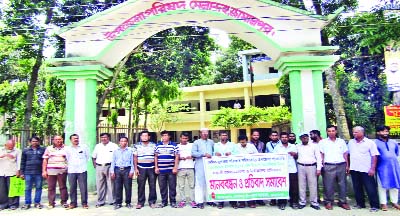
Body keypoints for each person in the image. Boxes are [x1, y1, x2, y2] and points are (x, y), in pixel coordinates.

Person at [348, 126, 380, 212]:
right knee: (357, 187)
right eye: (353, 132)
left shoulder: (370, 143)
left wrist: (372, 168)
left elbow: (374, 156)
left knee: (370, 188)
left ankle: (375, 206)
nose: (354, 134)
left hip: (366, 169)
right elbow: (348, 154)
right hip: (354, 168)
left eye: (356, 132)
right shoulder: (351, 142)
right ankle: (360, 204)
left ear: (362, 133)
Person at [319, 125, 350, 210]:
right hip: (328, 165)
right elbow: (321, 154)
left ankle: (343, 202)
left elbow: (345, 154)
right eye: (329, 131)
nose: (331, 132)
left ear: (336, 131)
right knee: (328, 185)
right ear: (327, 132)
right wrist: (322, 166)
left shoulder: (341, 141)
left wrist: (347, 165)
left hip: (341, 165)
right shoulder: (323, 142)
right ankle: (328, 202)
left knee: (342, 184)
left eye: (333, 131)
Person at [374, 125, 400, 211]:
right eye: (383, 131)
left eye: (386, 131)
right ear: (378, 133)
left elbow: (396, 153)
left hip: (394, 167)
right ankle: (383, 203)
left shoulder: (393, 142)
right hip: (382, 167)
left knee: (395, 184)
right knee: (382, 185)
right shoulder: (375, 143)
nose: (385, 133)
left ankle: (394, 202)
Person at [272, 132, 298, 210]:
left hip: (292, 169)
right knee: (282, 187)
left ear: (288, 138)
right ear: (280, 138)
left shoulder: (293, 146)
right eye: (282, 137)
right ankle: (282, 203)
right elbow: (274, 158)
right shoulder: (277, 147)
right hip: (282, 170)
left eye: (286, 137)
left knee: (294, 187)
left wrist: (294, 154)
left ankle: (293, 202)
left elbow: (297, 156)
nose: (284, 138)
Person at [92, 133, 118, 208]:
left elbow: (117, 156)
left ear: (109, 138)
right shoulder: (98, 146)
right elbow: (93, 157)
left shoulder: (114, 146)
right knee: (100, 185)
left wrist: (114, 168)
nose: (103, 139)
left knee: (111, 184)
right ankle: (100, 201)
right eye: (102, 137)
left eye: (105, 137)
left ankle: (112, 201)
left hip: (110, 166)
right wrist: (95, 166)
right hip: (99, 166)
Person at [297, 133, 322, 210]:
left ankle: (314, 203)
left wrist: (318, 168)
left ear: (308, 138)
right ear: (300, 138)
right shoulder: (297, 146)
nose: (305, 138)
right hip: (300, 166)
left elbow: (318, 157)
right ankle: (302, 202)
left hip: (312, 167)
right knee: (301, 185)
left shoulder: (314, 146)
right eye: (303, 137)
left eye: (306, 137)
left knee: (313, 185)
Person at [231, 135, 258, 208]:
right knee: (241, 186)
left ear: (247, 141)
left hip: (250, 170)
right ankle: (241, 202)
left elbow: (257, 156)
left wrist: (251, 156)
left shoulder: (251, 146)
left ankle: (251, 202)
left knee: (250, 185)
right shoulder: (236, 147)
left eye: (244, 142)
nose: (243, 143)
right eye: (241, 142)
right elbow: (232, 157)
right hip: (240, 170)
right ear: (239, 142)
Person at [42, 135, 68, 209]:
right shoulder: (49, 148)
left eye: (59, 139)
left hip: (62, 171)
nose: (58, 141)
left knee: (63, 187)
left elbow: (69, 159)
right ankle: (51, 203)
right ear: (53, 140)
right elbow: (45, 160)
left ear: (62, 140)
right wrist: (44, 171)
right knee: (51, 187)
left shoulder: (66, 148)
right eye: (56, 139)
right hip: (51, 171)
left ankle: (64, 202)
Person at [154, 130, 179, 208]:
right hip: (161, 170)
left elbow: (177, 156)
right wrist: (156, 167)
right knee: (162, 187)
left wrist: (175, 167)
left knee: (172, 186)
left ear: (169, 136)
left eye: (166, 135)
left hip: (171, 170)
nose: (164, 137)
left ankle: (173, 202)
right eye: (163, 135)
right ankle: (164, 202)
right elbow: (155, 157)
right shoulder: (157, 145)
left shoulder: (174, 145)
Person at [65, 134, 90, 210]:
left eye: (77, 138)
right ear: (71, 140)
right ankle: (73, 203)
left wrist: (81, 164)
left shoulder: (84, 147)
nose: (76, 140)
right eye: (74, 138)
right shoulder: (67, 149)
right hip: (72, 170)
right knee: (72, 187)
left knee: (83, 188)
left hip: (82, 170)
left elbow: (87, 157)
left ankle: (84, 203)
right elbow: (66, 158)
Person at [133, 131, 157, 209]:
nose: (144, 137)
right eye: (143, 136)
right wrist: (136, 168)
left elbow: (156, 156)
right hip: (141, 168)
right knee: (141, 186)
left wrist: (156, 167)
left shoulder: (154, 145)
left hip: (152, 168)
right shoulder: (136, 145)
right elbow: (135, 157)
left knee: (152, 185)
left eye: (146, 136)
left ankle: (152, 202)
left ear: (149, 137)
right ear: (140, 137)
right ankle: (140, 202)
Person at [20, 136, 45, 210]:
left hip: (38, 172)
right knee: (28, 188)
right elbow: (22, 162)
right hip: (28, 172)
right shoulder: (25, 150)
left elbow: (45, 161)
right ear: (30, 142)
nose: (35, 142)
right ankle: (27, 203)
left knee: (39, 188)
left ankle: (37, 202)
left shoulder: (43, 150)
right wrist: (22, 172)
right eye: (33, 141)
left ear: (38, 142)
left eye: (36, 141)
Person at [191, 128, 214, 209]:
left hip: (210, 165)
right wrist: (203, 154)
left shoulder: (211, 142)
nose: (205, 134)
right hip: (200, 165)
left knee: (209, 182)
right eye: (203, 133)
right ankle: (199, 201)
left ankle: (210, 200)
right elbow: (193, 153)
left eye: (207, 133)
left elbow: (214, 152)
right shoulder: (196, 142)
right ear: (200, 134)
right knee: (199, 183)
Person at [213, 131, 236, 209]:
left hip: (230, 167)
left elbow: (237, 153)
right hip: (220, 168)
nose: (224, 136)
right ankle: (221, 202)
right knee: (221, 184)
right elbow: (213, 154)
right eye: (222, 135)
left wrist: (231, 154)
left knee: (232, 184)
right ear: (219, 136)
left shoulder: (232, 144)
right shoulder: (216, 145)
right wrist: (215, 154)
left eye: (225, 135)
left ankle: (233, 202)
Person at [111, 137, 134, 210]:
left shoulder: (130, 151)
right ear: (119, 142)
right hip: (117, 170)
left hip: (127, 170)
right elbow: (113, 162)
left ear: (127, 142)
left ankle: (128, 203)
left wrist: (131, 171)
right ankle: (118, 203)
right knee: (118, 187)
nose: (123, 142)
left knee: (128, 187)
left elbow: (132, 162)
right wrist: (112, 171)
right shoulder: (115, 151)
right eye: (121, 141)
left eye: (125, 141)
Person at [0, 139, 21, 210]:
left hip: (12, 172)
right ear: (5, 145)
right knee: (2, 189)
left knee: (13, 189)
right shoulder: (0, 150)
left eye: (12, 146)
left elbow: (19, 161)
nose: (10, 148)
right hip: (2, 172)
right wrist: (2, 156)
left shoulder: (17, 151)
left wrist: (18, 170)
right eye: (9, 147)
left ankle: (13, 204)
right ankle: (3, 204)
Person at [176, 132, 196, 208]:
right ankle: (182, 200)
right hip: (181, 168)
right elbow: (175, 157)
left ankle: (192, 201)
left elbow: (195, 154)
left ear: (188, 139)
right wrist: (180, 158)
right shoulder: (177, 146)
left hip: (191, 167)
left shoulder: (192, 145)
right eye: (183, 138)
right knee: (181, 186)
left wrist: (192, 156)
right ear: (180, 138)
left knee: (192, 185)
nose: (184, 140)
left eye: (186, 138)